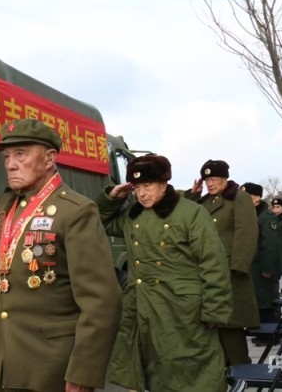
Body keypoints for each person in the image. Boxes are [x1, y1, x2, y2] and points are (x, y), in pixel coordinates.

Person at [0, 119, 121, 392]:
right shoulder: (6, 206)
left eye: (20, 154)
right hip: (7, 358)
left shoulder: (75, 211)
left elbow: (101, 302)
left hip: (49, 364)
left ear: (49, 158)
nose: (10, 164)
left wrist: (83, 374)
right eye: (7, 157)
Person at [97, 154, 232, 392]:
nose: (142, 193)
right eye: (137, 187)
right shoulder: (133, 215)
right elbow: (99, 222)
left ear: (164, 183)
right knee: (151, 367)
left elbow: (213, 263)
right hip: (142, 307)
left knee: (189, 369)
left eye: (148, 185)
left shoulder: (190, 212)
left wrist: (214, 310)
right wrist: (113, 197)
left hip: (182, 310)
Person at [184, 160, 259, 366]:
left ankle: (241, 370)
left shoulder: (239, 198)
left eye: (214, 179)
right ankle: (222, 372)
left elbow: (246, 233)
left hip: (229, 273)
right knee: (213, 326)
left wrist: (238, 268)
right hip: (207, 272)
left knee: (230, 326)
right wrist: (193, 194)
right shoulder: (205, 202)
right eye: (207, 180)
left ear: (225, 178)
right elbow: (182, 213)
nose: (210, 184)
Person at [240, 183, 281, 328]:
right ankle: (262, 331)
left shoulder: (265, 216)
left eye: (246, 196)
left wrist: (267, 269)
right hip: (253, 266)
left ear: (257, 197)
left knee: (266, 301)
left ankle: (270, 333)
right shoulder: (251, 214)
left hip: (263, 268)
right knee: (258, 301)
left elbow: (270, 245)